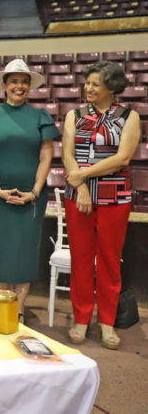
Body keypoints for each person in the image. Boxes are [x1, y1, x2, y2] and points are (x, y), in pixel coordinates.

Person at [63, 61, 139, 350]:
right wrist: (80, 186)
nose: (88, 88)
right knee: (80, 259)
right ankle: (81, 318)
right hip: (78, 198)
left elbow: (122, 159)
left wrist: (82, 174)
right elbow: (68, 154)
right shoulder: (74, 115)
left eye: (95, 84)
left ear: (111, 87)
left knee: (109, 260)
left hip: (115, 198)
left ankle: (107, 321)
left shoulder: (128, 117)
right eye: (87, 83)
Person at [0, 58, 60, 323]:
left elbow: (46, 156)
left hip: (32, 197)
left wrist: (35, 191)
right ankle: (2, 307)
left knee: (25, 250)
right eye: (14, 81)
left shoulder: (40, 116)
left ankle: (19, 313)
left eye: (24, 82)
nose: (19, 86)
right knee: (1, 249)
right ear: (4, 84)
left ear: (29, 86)